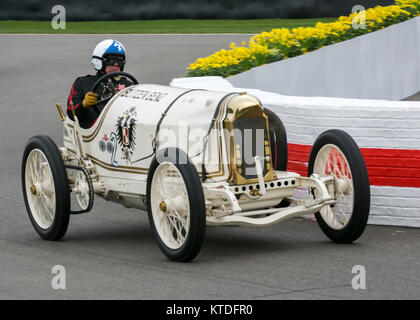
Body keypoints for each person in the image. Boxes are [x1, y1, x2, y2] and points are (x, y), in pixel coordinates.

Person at [67, 39, 132, 128]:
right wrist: (83, 105)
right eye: (112, 61)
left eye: (120, 61)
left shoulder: (129, 85)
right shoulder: (83, 83)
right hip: (93, 132)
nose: (116, 64)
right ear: (99, 61)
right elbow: (71, 114)